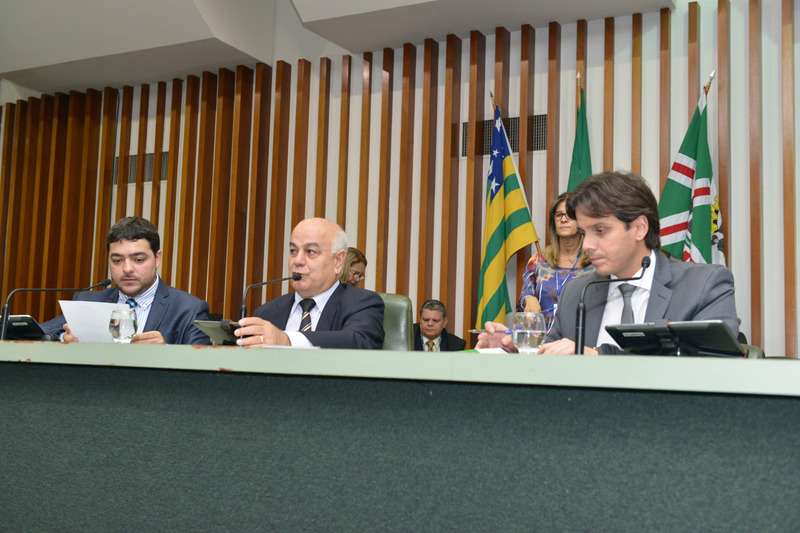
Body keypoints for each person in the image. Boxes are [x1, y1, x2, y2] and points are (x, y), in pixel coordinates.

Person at [478, 171, 740, 356]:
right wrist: (516, 348)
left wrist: (599, 357)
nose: (587, 245)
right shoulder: (577, 292)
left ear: (639, 228)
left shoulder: (703, 286)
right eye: (584, 233)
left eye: (600, 231)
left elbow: (714, 366)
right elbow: (553, 356)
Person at [41, 216, 211, 345]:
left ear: (157, 258)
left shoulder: (189, 310)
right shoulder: (87, 302)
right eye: (117, 260)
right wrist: (62, 338)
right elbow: (37, 332)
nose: (127, 269)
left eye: (138, 260)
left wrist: (165, 353)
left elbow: (202, 370)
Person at [235, 218, 385, 349]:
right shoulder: (266, 313)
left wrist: (287, 340)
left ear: (338, 261)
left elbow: (358, 342)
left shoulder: (362, 303)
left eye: (311, 251)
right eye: (293, 251)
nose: (298, 261)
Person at [519, 192, 594, 331]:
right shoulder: (537, 261)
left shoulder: (595, 264)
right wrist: (529, 300)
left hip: (580, 339)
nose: (563, 219)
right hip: (541, 339)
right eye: (559, 215)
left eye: (570, 214)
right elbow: (524, 300)